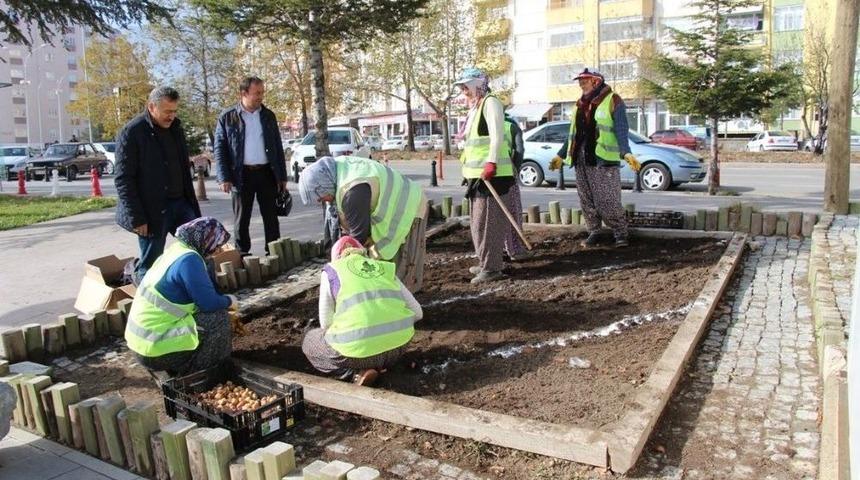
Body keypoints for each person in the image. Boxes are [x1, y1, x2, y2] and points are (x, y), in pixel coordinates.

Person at [301, 236, 423, 386]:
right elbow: (418, 313)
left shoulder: (332, 271)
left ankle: (354, 373)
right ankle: (379, 365)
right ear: (363, 253)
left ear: (336, 258)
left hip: (355, 353)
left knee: (309, 341)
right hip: (397, 348)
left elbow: (325, 324)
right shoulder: (383, 268)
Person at [125, 217, 236, 376]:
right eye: (216, 245)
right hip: (155, 350)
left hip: (141, 344)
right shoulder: (189, 260)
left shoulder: (176, 250)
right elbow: (209, 303)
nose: (218, 251)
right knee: (219, 319)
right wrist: (230, 301)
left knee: (206, 317)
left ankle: (182, 364)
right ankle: (201, 375)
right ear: (205, 240)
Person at [298, 156, 428, 292]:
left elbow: (358, 237)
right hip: (392, 209)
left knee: (401, 268)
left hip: (409, 208)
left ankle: (406, 305)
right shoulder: (338, 170)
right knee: (382, 266)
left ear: (324, 185)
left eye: (320, 197)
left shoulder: (351, 191)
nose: (321, 201)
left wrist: (344, 268)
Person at [115, 87, 201, 284]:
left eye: (174, 111)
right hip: (151, 210)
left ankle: (202, 298)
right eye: (167, 112)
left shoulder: (176, 129)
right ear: (151, 107)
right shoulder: (132, 133)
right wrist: (136, 217)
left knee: (197, 248)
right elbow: (123, 179)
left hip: (181, 203)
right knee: (151, 264)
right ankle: (146, 296)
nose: (171, 116)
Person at [549, 67, 640, 248]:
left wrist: (626, 152)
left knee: (607, 199)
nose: (581, 84)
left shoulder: (613, 100)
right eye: (580, 81)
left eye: (585, 80)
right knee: (587, 199)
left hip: (602, 160)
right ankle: (594, 231)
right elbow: (573, 134)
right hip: (581, 159)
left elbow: (621, 129)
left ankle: (620, 233)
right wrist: (560, 155)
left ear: (596, 81)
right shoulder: (580, 104)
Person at [215, 76, 289, 256]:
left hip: (266, 172)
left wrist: (282, 176)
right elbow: (220, 148)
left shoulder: (268, 115)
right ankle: (242, 253)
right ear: (243, 93)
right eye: (257, 93)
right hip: (241, 175)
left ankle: (273, 251)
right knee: (242, 217)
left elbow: (278, 146)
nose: (261, 97)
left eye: (262, 93)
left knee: (271, 216)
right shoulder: (228, 117)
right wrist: (224, 176)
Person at [454, 67, 514, 283]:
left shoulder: (491, 103)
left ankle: (492, 267)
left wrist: (491, 162)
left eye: (466, 86)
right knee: (478, 223)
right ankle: (485, 261)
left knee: (488, 224)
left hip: (493, 176)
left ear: (478, 84)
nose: (463, 91)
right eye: (461, 87)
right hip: (478, 177)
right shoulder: (477, 107)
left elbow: (497, 136)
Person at [503, 114, 530, 261]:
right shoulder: (510, 125)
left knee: (490, 216)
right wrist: (516, 168)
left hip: (482, 174)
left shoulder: (475, 120)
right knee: (512, 211)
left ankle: (494, 251)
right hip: (506, 171)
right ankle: (514, 249)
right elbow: (519, 151)